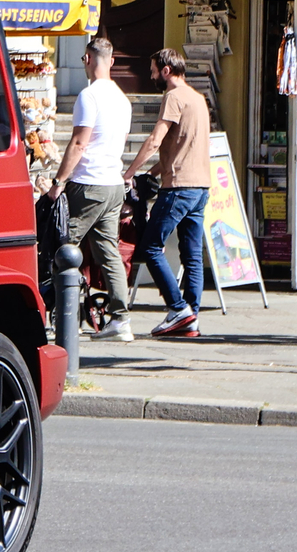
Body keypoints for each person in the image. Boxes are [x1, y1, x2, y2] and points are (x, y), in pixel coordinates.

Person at [125, 47, 213, 337]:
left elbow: (155, 140)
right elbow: (182, 146)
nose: (151, 76)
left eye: (153, 70)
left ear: (166, 70)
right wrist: (150, 173)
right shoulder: (198, 99)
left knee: (150, 246)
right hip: (200, 186)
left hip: (178, 187)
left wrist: (128, 173)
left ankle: (178, 309)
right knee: (192, 255)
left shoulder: (173, 97)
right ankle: (192, 318)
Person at [58, 36, 134, 340]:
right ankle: (120, 318)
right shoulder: (122, 99)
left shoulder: (89, 96)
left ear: (88, 60)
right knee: (108, 251)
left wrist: (58, 181)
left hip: (88, 183)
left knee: (63, 246)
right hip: (113, 183)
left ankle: (59, 314)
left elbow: (79, 143)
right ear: (112, 61)